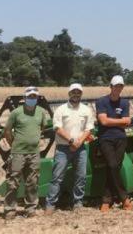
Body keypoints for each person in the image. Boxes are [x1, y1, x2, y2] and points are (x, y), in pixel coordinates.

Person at [1, 86, 53, 219]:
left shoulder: (41, 112)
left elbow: (42, 128)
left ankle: (30, 208)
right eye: (29, 96)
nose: (32, 98)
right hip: (18, 153)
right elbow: (7, 131)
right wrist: (14, 144)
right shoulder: (16, 113)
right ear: (24, 98)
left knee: (32, 182)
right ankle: (9, 209)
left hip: (34, 153)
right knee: (13, 181)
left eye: (34, 97)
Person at [45, 83, 95, 213]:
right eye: (73, 92)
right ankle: (50, 204)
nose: (76, 94)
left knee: (81, 176)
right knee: (57, 177)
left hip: (80, 148)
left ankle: (78, 203)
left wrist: (79, 142)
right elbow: (57, 127)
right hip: (63, 148)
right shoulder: (61, 109)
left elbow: (89, 128)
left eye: (78, 92)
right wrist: (71, 140)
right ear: (69, 93)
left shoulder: (86, 110)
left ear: (81, 94)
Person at [96, 75, 133, 212]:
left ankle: (106, 199)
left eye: (120, 86)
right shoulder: (101, 101)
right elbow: (103, 122)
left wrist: (113, 121)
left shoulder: (124, 103)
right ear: (110, 87)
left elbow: (127, 122)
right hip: (105, 138)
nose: (118, 88)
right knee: (112, 165)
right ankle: (124, 198)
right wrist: (120, 121)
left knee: (113, 168)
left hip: (121, 139)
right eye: (115, 86)